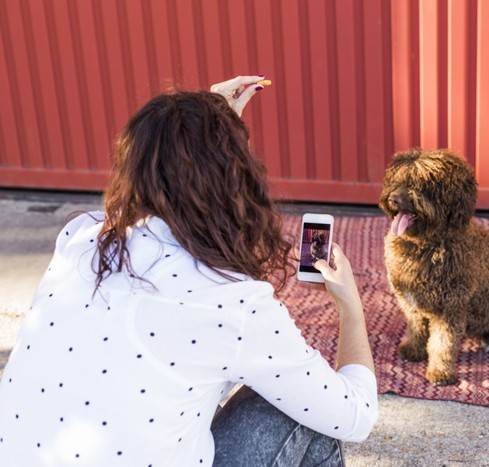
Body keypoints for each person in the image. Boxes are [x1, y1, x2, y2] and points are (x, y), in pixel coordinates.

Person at [0, 76, 377, 466]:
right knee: (297, 407)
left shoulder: (80, 240)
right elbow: (356, 415)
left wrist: (202, 124)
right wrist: (351, 310)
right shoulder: (230, 302)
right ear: (236, 182)